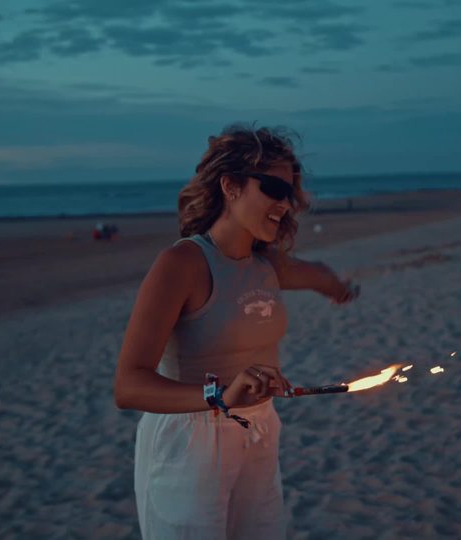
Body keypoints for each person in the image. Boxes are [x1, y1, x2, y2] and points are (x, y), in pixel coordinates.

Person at [113, 124, 358, 539]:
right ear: (230, 186)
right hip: (190, 442)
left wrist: (334, 286)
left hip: (260, 428)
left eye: (290, 195)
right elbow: (128, 386)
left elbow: (313, 273)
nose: (285, 205)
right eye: (273, 191)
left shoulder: (267, 265)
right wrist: (219, 397)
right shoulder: (183, 264)